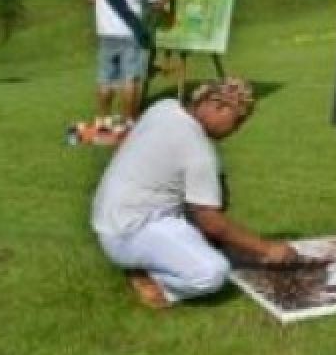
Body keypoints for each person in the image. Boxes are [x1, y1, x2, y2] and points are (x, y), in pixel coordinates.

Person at [91, 78, 298, 308]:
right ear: (218, 107)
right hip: (129, 233)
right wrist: (267, 249)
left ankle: (154, 257)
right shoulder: (198, 150)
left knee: (210, 219)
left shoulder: (165, 107)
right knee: (213, 272)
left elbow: (126, 139)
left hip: (108, 218)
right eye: (237, 121)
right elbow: (211, 222)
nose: (236, 130)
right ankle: (156, 284)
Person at [88, 0, 177, 126]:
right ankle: (130, 121)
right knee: (130, 79)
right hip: (129, 34)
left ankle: (102, 120)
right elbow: (158, 4)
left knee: (106, 79)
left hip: (105, 32)